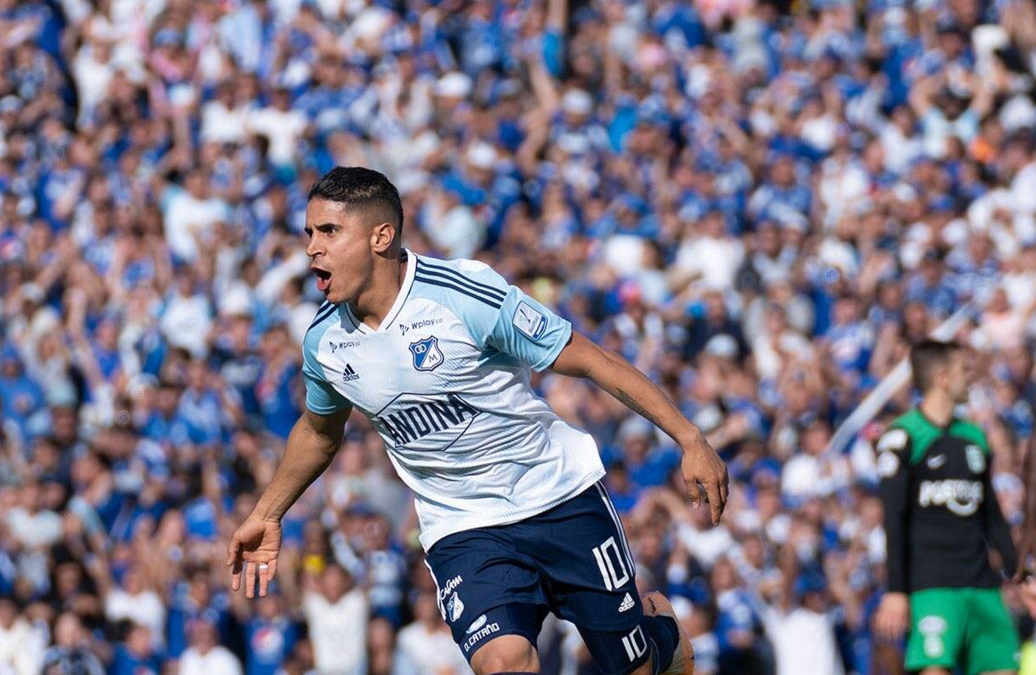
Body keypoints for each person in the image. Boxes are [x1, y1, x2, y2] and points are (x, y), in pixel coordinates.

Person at [227, 166, 729, 675]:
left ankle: (660, 636)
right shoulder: (325, 342)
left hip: (557, 496)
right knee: (503, 664)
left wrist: (690, 438)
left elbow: (590, 359)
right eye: (309, 233)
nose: (312, 248)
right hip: (463, 526)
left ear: (381, 236)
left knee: (634, 668)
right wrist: (268, 513)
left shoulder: (462, 295)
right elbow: (319, 432)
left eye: (329, 231)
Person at [872, 340, 1020, 675]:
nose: (969, 377)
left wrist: (1020, 576)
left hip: (982, 584)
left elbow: (993, 518)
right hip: (932, 585)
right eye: (962, 370)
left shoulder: (974, 437)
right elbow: (893, 519)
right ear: (942, 377)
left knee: (1003, 668)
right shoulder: (903, 437)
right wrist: (896, 591)